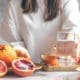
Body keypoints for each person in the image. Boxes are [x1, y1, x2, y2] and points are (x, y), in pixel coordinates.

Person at [0, 0, 80, 63]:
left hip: (60, 69)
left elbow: (72, 28)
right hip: (28, 72)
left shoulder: (68, 1)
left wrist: (68, 42)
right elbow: (8, 42)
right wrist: (18, 50)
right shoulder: (15, 4)